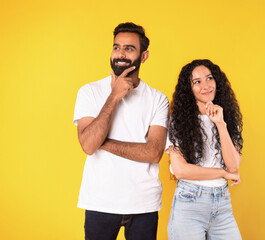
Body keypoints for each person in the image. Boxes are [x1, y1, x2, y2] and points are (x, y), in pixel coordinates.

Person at [73, 22, 169, 240]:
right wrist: (114, 96)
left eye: (129, 48)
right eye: (117, 47)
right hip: (100, 200)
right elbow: (88, 146)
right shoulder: (89, 92)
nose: (120, 54)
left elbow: (154, 152)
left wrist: (102, 142)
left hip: (143, 203)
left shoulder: (158, 99)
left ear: (144, 56)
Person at [166, 59, 244, 239]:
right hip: (190, 202)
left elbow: (233, 167)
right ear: (189, 89)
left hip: (222, 204)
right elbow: (180, 170)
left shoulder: (228, 120)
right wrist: (222, 174)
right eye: (197, 82)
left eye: (209, 78)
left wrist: (220, 124)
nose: (206, 85)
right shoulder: (178, 122)